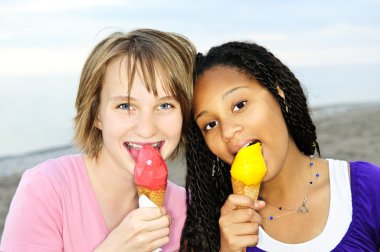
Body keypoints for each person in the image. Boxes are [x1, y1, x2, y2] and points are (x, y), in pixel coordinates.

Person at [0, 28, 195, 251]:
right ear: (96, 115)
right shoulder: (47, 188)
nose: (146, 129)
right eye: (125, 106)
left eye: (164, 105)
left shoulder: (184, 208)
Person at [180, 41, 380, 251]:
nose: (228, 131)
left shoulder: (368, 188)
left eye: (239, 105)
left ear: (280, 95)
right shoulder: (208, 227)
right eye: (210, 124)